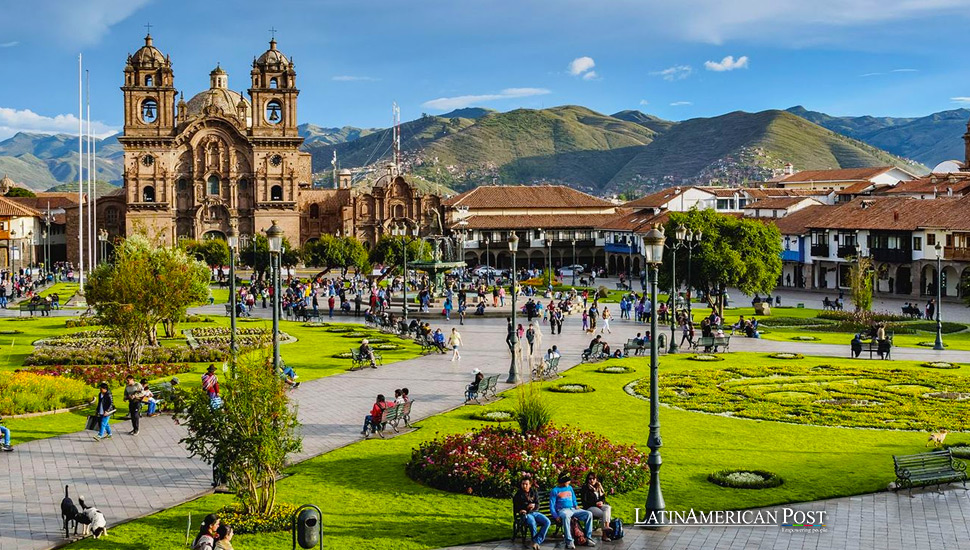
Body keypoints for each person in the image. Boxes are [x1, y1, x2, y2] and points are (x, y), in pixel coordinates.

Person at [550, 472, 595, 549]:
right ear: (562, 481)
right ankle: (569, 541)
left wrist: (576, 505)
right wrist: (556, 516)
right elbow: (552, 505)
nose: (569, 482)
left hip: (573, 509)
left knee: (589, 514)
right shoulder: (555, 490)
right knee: (566, 516)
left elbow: (573, 499)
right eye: (567, 481)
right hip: (563, 510)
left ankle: (588, 538)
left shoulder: (570, 488)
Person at [514, 476, 550, 550]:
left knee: (547, 522)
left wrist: (534, 506)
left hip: (535, 512)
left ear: (530, 485)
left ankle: (536, 541)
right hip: (526, 514)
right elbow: (516, 507)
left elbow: (537, 504)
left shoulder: (533, 492)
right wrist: (521, 510)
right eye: (523, 484)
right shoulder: (518, 494)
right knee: (532, 523)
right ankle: (535, 543)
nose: (524, 486)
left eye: (526, 484)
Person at [581, 472, 613, 542]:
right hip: (590, 507)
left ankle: (606, 526)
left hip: (598, 505)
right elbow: (585, 501)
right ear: (587, 479)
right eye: (590, 479)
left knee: (608, 508)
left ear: (596, 479)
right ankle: (604, 535)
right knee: (605, 514)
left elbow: (602, 497)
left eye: (593, 478)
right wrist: (595, 503)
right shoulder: (585, 488)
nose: (591, 480)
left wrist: (601, 502)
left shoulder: (598, 486)